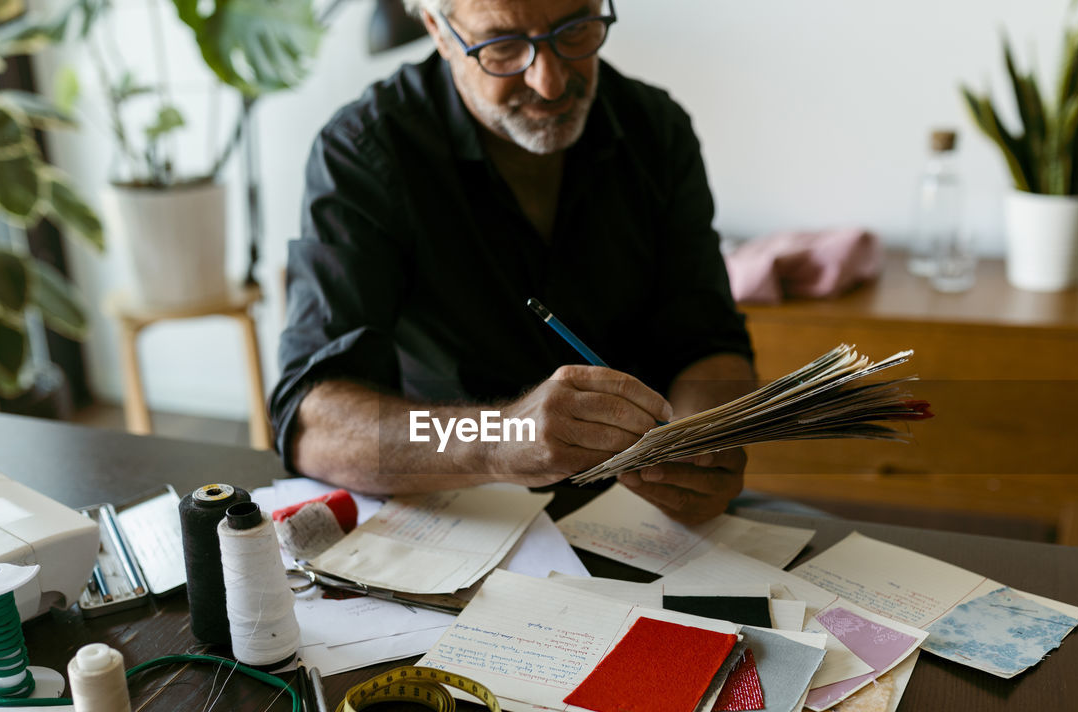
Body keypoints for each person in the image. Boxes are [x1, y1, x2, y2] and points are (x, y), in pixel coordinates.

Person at [270, 0, 756, 526]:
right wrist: (501, 437)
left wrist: (702, 440)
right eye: (502, 46)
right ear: (438, 29)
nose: (549, 82)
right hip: (462, 521)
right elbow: (314, 425)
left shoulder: (656, 129)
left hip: (650, 521)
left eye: (576, 29)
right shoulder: (366, 152)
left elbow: (711, 343)